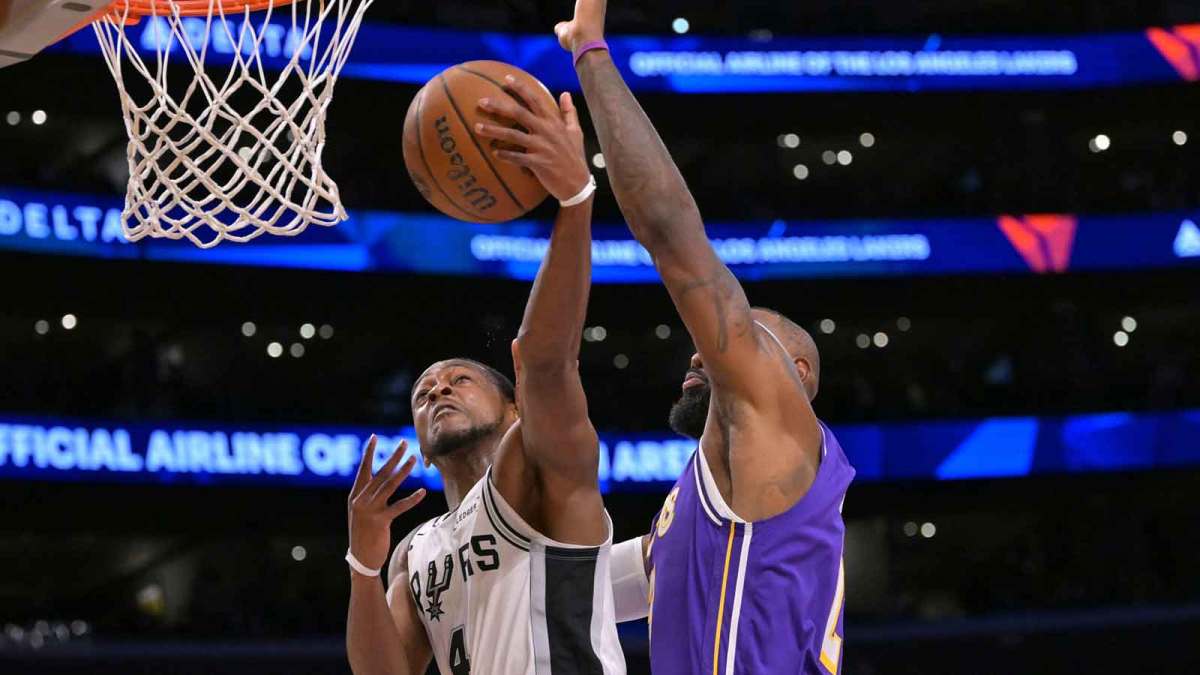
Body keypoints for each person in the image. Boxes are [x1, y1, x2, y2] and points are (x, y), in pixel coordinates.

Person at [556, 3, 857, 673]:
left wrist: (591, 56)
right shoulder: (701, 504)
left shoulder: (779, 421)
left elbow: (668, 228)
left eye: (758, 336)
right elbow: (583, 585)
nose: (699, 349)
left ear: (797, 372)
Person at [344, 77, 625, 675]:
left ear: (516, 412)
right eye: (423, 392)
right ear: (419, 440)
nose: (438, 389)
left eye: (459, 381)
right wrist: (364, 566)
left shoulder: (544, 474)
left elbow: (547, 362)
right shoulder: (415, 553)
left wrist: (576, 201)